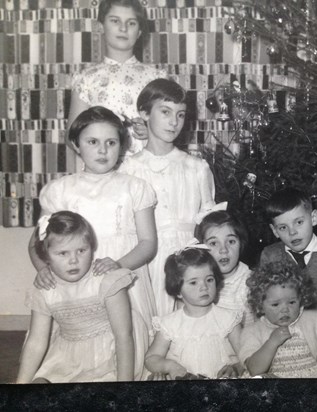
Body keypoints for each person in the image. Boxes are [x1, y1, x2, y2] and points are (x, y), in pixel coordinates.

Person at [30, 106, 158, 380]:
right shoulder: (59, 190)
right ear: (77, 145)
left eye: (111, 143)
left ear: (121, 146)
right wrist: (43, 269)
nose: (103, 150)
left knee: (123, 345)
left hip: (121, 272)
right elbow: (37, 243)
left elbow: (148, 243)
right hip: (73, 280)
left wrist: (118, 265)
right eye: (93, 142)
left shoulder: (135, 187)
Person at [119, 78, 216, 316]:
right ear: (144, 113)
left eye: (181, 114)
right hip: (147, 259)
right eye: (165, 112)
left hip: (190, 260)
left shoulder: (196, 167)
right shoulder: (129, 169)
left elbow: (210, 221)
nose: (174, 122)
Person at [18, 211, 134, 383]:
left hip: (109, 354)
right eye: (63, 253)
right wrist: (20, 387)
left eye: (81, 250)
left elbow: (123, 336)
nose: (74, 260)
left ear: (92, 247)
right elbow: (36, 341)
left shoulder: (107, 281)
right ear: (46, 257)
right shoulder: (45, 289)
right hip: (67, 355)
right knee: (38, 385)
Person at [68, 0, 166, 156]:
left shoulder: (157, 78)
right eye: (115, 21)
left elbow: (170, 129)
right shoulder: (86, 79)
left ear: (140, 31)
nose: (123, 28)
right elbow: (72, 136)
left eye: (131, 23)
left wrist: (153, 133)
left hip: (146, 171)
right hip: (103, 173)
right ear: (101, 27)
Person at [144, 244, 244, 379]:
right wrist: (169, 366)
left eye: (209, 279)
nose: (204, 287)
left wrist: (236, 368)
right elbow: (151, 358)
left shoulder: (228, 319)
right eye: (193, 282)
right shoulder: (169, 324)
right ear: (178, 290)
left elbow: (247, 355)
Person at [259, 188, 317, 311]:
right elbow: (268, 302)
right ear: (274, 230)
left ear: (313, 218)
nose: (292, 232)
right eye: (283, 227)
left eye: (299, 222)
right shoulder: (270, 255)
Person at [238, 260, 317, 378]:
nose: (285, 310)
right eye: (275, 305)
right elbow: (254, 369)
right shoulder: (252, 331)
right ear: (260, 304)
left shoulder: (316, 320)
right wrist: (272, 342)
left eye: (292, 302)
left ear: (301, 298)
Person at [195, 208, 255, 326]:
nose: (224, 250)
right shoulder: (198, 281)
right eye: (213, 243)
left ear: (241, 243)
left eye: (231, 241)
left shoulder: (251, 283)